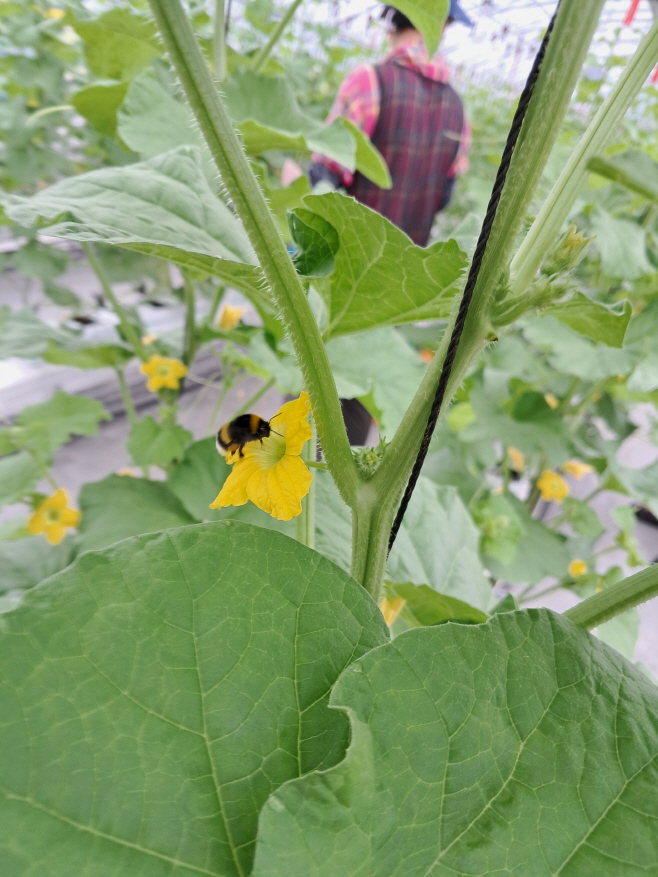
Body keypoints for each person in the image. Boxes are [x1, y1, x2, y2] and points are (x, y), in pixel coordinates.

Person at [310, 1, 472, 247]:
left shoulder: (369, 80)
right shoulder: (458, 107)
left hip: (352, 258)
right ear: (444, 26)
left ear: (394, 17)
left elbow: (325, 176)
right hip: (408, 270)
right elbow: (445, 195)